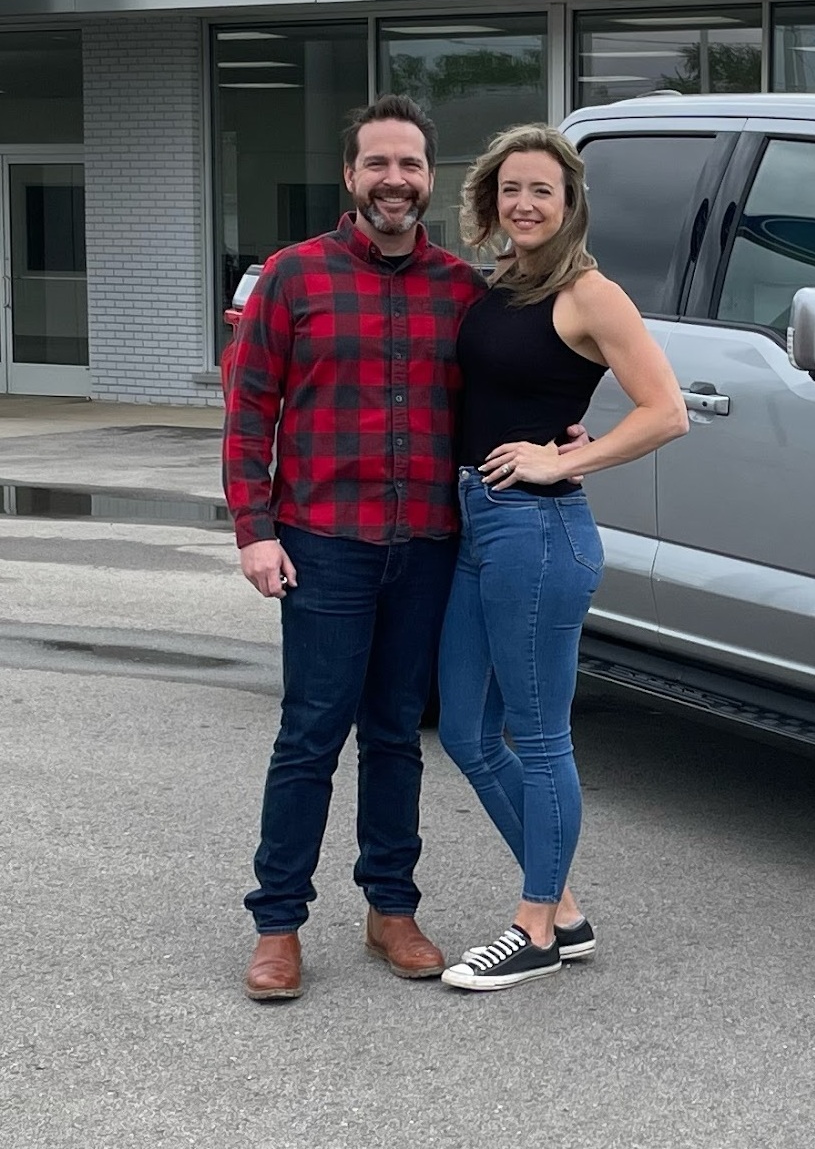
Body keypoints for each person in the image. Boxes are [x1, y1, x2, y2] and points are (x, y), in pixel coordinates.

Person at [227, 95, 485, 1003]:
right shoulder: (293, 277)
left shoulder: (462, 288)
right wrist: (255, 531)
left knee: (397, 735)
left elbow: (506, 390)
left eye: (410, 164)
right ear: (350, 175)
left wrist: (562, 428)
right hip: (324, 543)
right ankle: (278, 923)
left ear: (430, 177)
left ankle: (391, 907)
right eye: (378, 162)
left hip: (427, 546)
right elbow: (249, 409)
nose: (394, 179)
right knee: (310, 734)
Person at [434, 124, 687, 992]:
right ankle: (565, 912)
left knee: (539, 738)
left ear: (571, 201)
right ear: (490, 198)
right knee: (467, 732)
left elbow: (666, 410)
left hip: (538, 532)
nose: (524, 203)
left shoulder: (589, 293)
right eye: (510, 188)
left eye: (542, 189)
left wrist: (564, 457)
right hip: (480, 522)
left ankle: (535, 926)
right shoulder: (502, 284)